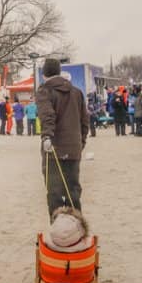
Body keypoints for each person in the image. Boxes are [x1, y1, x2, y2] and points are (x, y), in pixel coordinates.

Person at [36, 59, 88, 217]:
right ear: (58, 72)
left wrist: (46, 136)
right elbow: (85, 122)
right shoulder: (77, 92)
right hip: (73, 148)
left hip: (54, 150)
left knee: (55, 194)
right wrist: (80, 143)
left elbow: (47, 115)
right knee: (73, 193)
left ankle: (60, 235)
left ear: (44, 74)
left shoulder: (45, 90)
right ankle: (77, 231)